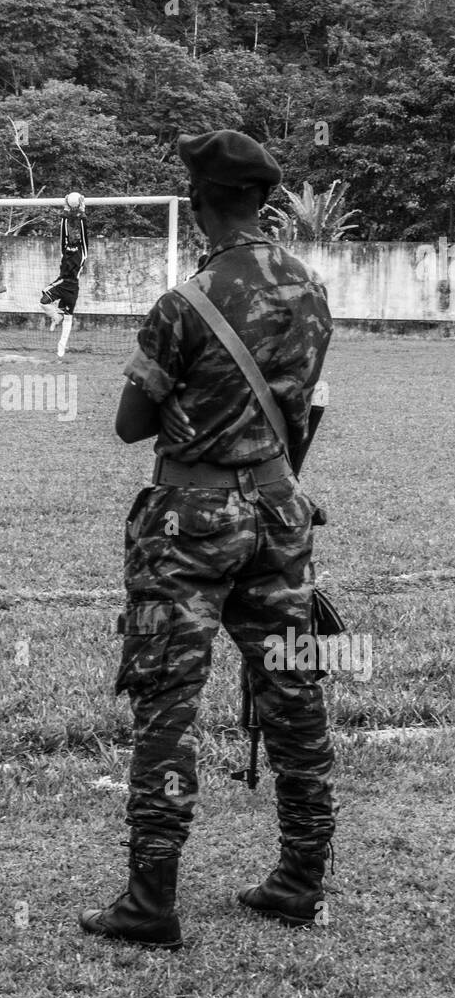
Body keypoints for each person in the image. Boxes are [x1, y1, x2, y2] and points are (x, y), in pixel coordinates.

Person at [79, 129, 335, 949]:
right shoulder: (312, 290)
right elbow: (307, 408)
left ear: (197, 206)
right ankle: (300, 881)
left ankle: (150, 902)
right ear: (263, 202)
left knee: (168, 705)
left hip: (190, 523)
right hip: (277, 514)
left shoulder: (183, 304)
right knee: (295, 694)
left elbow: (128, 425)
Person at [40, 194, 88, 359]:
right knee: (44, 299)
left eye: (77, 235)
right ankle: (56, 316)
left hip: (73, 287)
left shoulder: (83, 253)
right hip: (62, 282)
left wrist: (81, 210)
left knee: (69, 319)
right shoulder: (65, 248)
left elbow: (83, 230)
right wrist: (66, 211)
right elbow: (63, 233)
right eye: (72, 234)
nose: (74, 235)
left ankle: (61, 350)